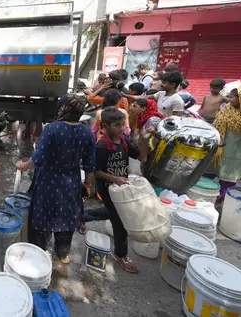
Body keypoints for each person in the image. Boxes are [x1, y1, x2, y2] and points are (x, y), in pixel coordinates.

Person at [15, 95, 95, 263]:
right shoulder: (86, 131)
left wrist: (23, 166)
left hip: (48, 181)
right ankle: (63, 252)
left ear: (62, 109)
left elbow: (38, 159)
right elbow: (89, 164)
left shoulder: (52, 129)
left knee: (42, 216)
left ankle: (39, 250)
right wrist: (87, 184)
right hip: (72, 182)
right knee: (66, 216)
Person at [94, 107, 149, 273]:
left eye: (122, 124)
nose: (120, 128)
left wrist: (145, 141)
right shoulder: (102, 146)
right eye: (117, 125)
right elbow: (95, 171)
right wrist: (114, 179)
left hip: (120, 189)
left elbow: (142, 157)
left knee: (113, 214)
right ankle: (120, 254)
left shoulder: (124, 141)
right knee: (120, 222)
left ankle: (82, 217)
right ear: (105, 125)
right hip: (107, 189)